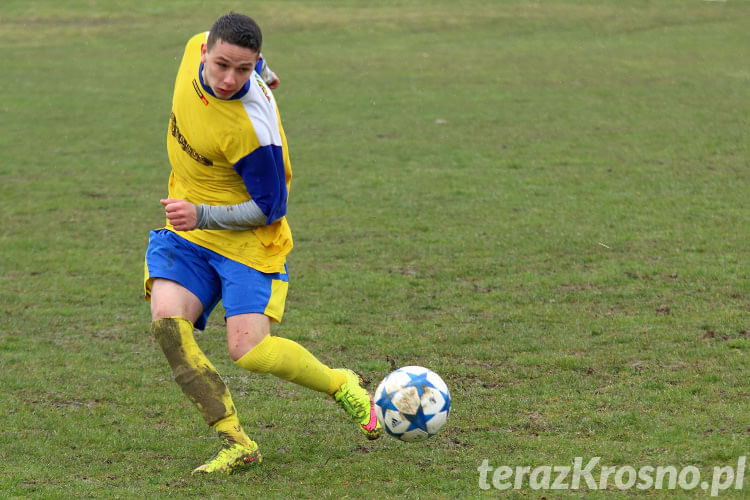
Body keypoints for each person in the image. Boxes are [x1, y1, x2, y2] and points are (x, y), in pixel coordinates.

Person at [143, 12, 381, 476]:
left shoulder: (254, 131)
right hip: (189, 233)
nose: (230, 79)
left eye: (245, 70)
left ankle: (341, 384)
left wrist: (202, 215)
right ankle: (236, 443)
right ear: (206, 50)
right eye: (222, 65)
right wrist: (266, 68)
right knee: (169, 327)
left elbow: (271, 208)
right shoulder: (195, 44)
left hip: (247, 240)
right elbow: (234, 52)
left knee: (249, 352)